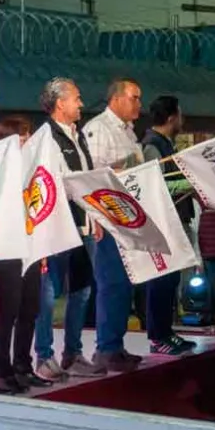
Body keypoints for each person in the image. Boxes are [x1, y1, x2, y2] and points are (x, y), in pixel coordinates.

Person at [36, 77, 105, 382]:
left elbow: (85, 179)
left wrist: (96, 216)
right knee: (49, 292)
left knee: (82, 288)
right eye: (76, 98)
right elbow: (54, 182)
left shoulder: (78, 135)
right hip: (58, 225)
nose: (81, 103)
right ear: (60, 103)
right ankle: (44, 356)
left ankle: (73, 352)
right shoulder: (46, 138)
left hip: (84, 222)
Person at [81, 77, 144, 372]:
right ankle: (105, 348)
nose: (139, 104)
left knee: (123, 284)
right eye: (134, 98)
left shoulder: (128, 132)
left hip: (128, 218)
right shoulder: (98, 130)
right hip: (107, 220)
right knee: (110, 283)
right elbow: (91, 176)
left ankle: (115, 344)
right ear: (116, 99)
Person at [0, 115, 48, 393]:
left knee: (30, 308)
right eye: (22, 139)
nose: (27, 144)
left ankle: (23, 366)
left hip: (31, 247)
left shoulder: (31, 171)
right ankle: (3, 371)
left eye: (28, 138)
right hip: (7, 250)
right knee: (9, 311)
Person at [140, 95, 198, 356]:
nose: (183, 120)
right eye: (181, 114)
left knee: (171, 280)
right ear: (173, 116)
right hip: (162, 223)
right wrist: (192, 182)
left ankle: (167, 332)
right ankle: (158, 335)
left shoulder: (165, 144)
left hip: (173, 220)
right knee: (161, 281)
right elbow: (156, 184)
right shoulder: (152, 145)